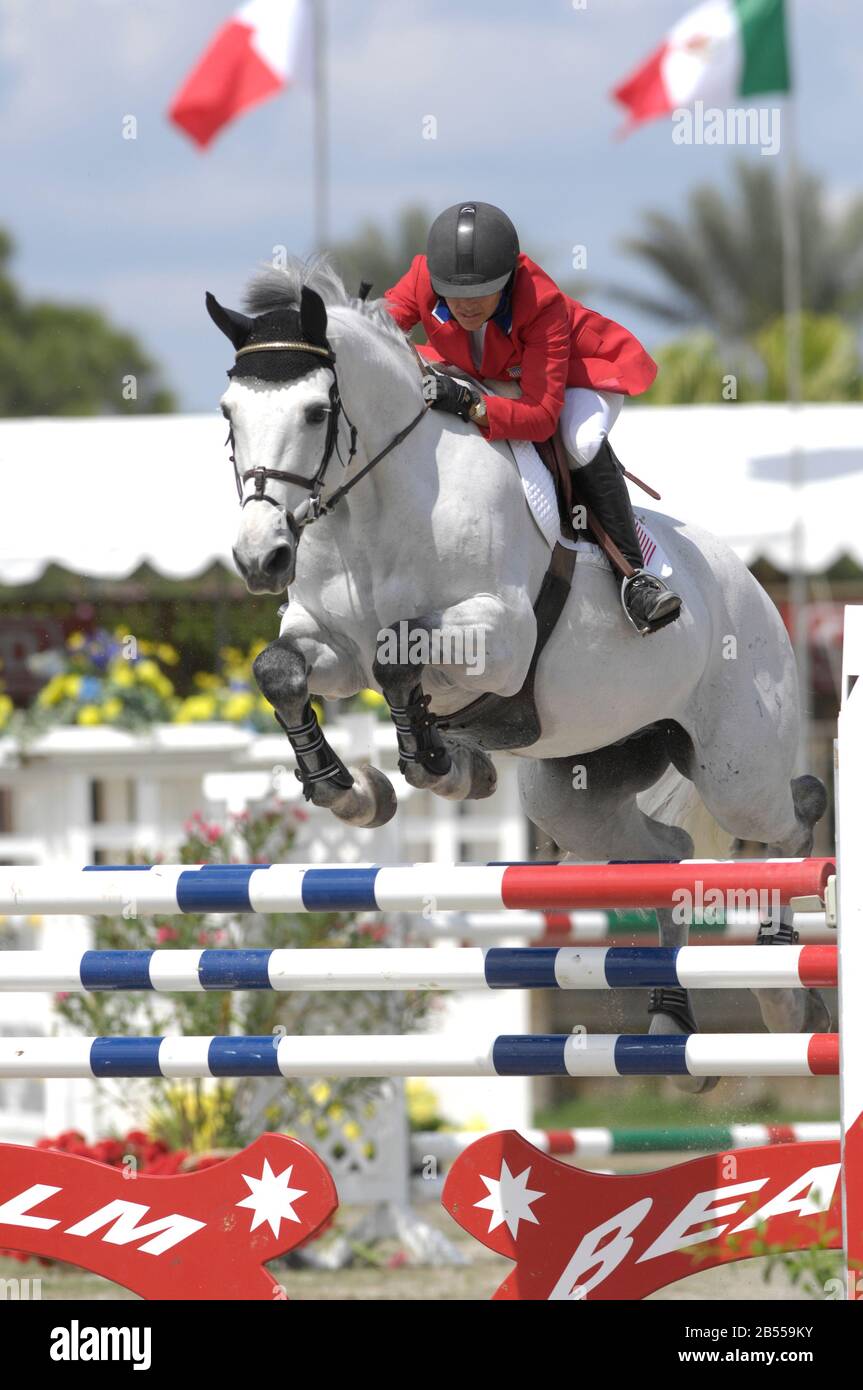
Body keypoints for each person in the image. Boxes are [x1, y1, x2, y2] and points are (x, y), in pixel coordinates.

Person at [382, 201, 681, 633]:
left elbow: (541, 415)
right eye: (454, 292)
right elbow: (375, 327)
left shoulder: (540, 302)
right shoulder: (423, 278)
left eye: (480, 292)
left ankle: (635, 578)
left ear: (506, 281)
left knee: (578, 441)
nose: (464, 306)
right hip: (483, 370)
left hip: (575, 374)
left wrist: (470, 406)